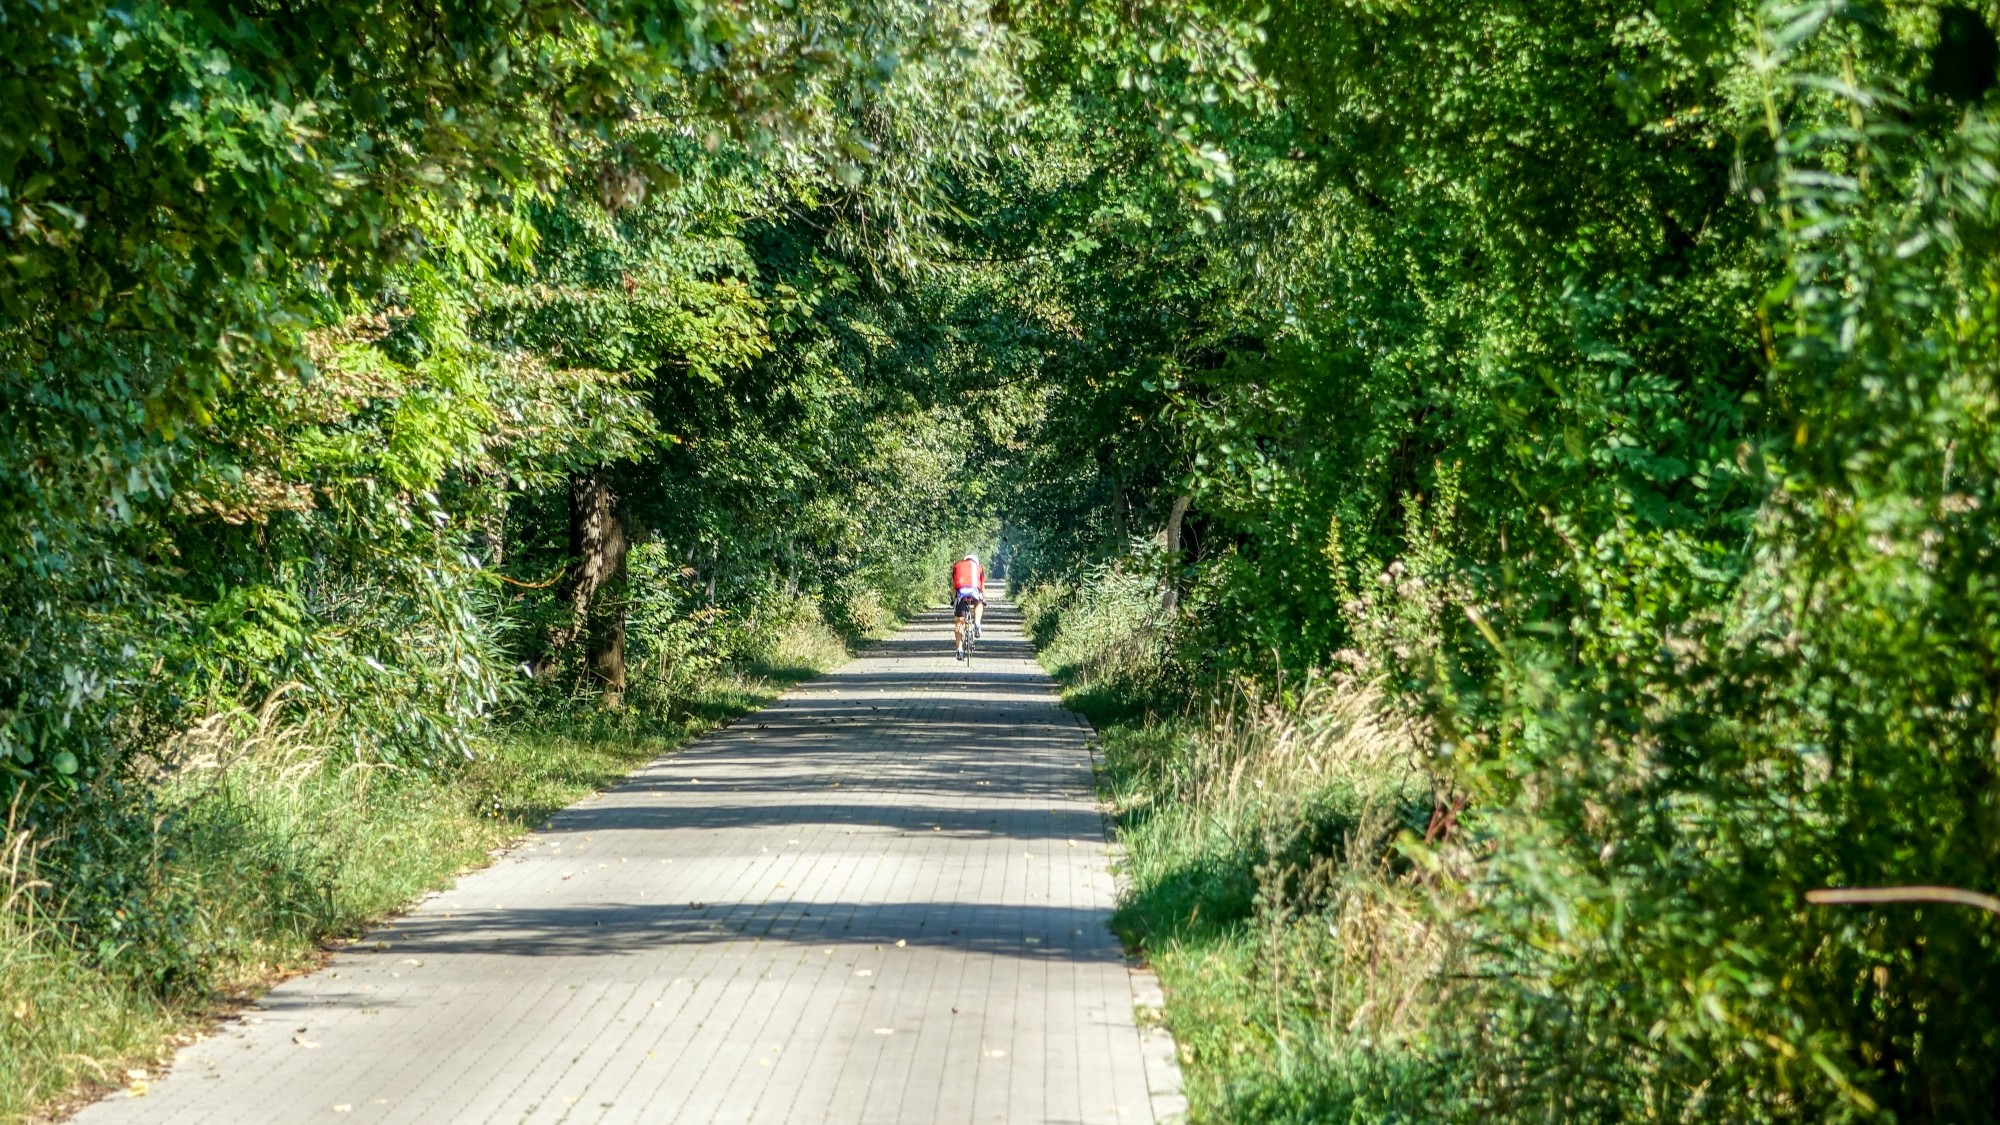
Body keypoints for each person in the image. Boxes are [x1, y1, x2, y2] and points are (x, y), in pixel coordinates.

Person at [949, 553, 986, 660]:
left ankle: (959, 649)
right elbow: (982, 588)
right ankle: (977, 623)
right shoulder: (979, 568)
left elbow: (954, 585)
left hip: (961, 591)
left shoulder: (957, 565)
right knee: (979, 602)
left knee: (958, 621)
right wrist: (983, 599)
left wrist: (953, 599)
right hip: (974, 590)